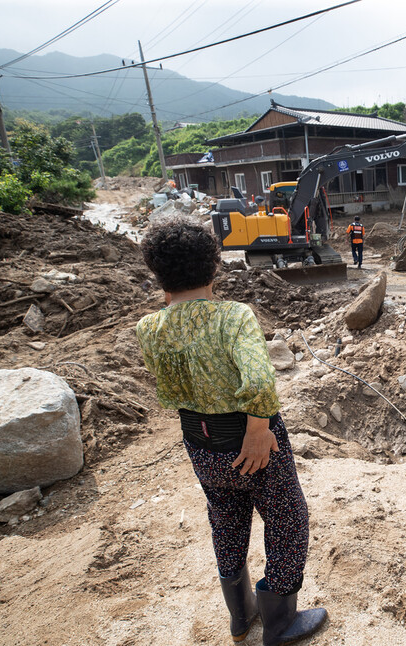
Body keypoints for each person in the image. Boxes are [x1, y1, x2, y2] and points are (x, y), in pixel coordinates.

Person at [135, 216, 327, 646]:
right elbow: (259, 382)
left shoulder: (147, 329)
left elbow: (172, 389)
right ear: (215, 267)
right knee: (286, 519)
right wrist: (258, 430)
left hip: (199, 444)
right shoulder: (233, 317)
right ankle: (279, 623)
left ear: (158, 275)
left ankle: (240, 616)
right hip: (251, 439)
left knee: (225, 518)